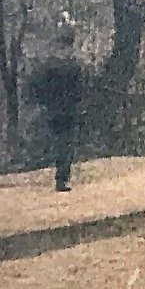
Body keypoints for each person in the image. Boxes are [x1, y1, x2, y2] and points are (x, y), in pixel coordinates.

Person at [24, 18, 86, 193]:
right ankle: (61, 177)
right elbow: (79, 90)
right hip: (66, 110)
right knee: (65, 143)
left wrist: (42, 102)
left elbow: (36, 84)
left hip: (53, 109)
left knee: (59, 142)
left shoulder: (49, 64)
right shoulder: (72, 65)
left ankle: (58, 173)